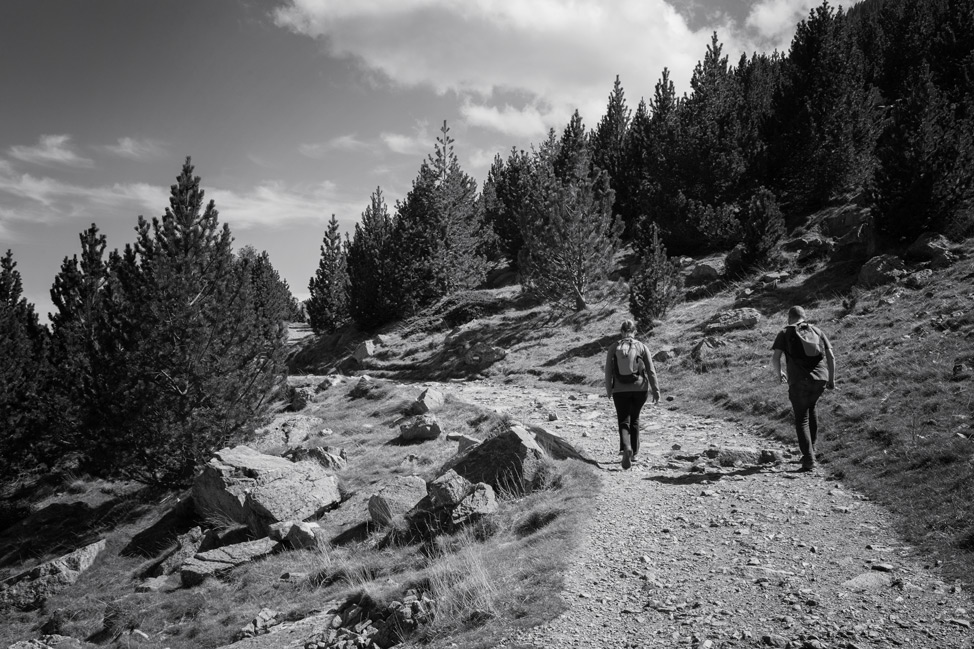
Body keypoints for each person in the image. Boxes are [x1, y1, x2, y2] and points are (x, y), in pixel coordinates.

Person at [771, 306, 836, 471]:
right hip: (820, 379)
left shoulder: (785, 333)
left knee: (801, 419)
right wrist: (831, 379)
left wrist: (780, 374)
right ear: (804, 316)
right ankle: (812, 450)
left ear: (789, 317)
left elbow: (776, 358)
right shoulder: (816, 330)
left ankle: (809, 459)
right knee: (811, 408)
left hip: (799, 381)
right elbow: (831, 356)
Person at [604, 319, 660, 470]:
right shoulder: (641, 346)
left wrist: (609, 390)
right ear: (635, 332)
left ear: (621, 332)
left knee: (624, 420)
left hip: (620, 390)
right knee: (634, 419)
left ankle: (626, 447)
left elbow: (608, 371)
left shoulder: (614, 347)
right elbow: (651, 370)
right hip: (640, 389)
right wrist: (656, 390)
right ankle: (634, 453)